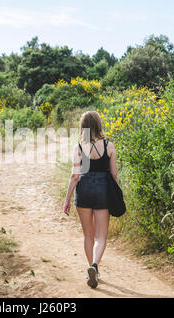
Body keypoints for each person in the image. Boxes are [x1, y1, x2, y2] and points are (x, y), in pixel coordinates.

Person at [63, 111, 119, 289]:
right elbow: (114, 174)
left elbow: (74, 176)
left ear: (83, 127)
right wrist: (116, 194)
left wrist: (67, 199)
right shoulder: (109, 146)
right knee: (101, 236)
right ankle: (95, 264)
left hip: (84, 190)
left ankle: (91, 268)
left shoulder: (79, 147)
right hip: (103, 191)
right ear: (98, 125)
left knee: (88, 235)